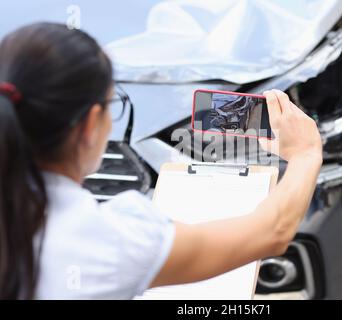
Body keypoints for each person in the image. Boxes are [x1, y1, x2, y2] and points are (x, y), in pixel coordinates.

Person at [0, 23, 323, 299]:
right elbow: (271, 232)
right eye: (114, 103)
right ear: (89, 125)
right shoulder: (106, 242)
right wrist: (306, 154)